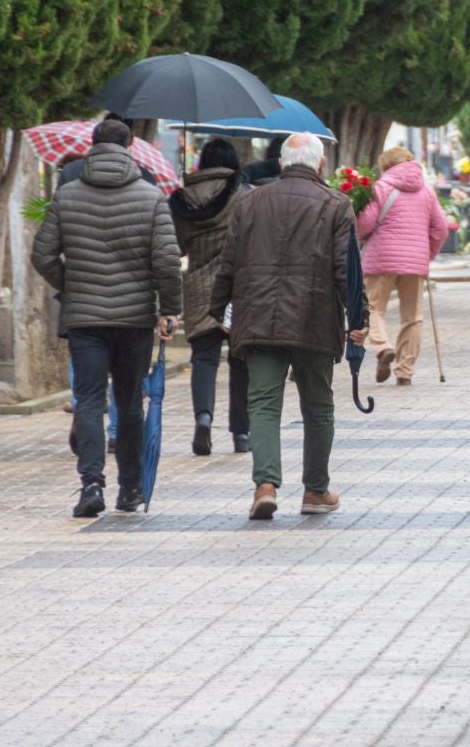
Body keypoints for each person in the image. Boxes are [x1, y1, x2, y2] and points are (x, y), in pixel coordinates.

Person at [31, 117, 182, 518]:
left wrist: (72, 283)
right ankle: (129, 488)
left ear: (91, 147)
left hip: (85, 318)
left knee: (89, 399)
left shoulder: (68, 195)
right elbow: (167, 261)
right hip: (134, 319)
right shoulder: (151, 198)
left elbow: (42, 255)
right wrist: (169, 309)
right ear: (131, 145)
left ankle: (90, 484)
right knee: (130, 402)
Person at [210, 133, 363, 520]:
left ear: (281, 163)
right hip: (315, 317)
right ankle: (315, 489)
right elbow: (348, 271)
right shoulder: (336, 204)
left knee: (262, 403)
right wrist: (359, 319)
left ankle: (265, 485)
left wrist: (217, 310)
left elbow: (228, 262)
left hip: (259, 315)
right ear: (322, 165)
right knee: (318, 405)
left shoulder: (248, 203)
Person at [169, 138, 252, 455]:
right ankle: (241, 433)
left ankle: (203, 418)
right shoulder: (245, 195)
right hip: (239, 289)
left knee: (203, 359)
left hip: (200, 288)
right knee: (240, 360)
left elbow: (176, 247)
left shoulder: (183, 199)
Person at [356, 146, 450, 386]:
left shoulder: (381, 188)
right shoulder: (427, 192)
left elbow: (365, 224)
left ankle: (382, 347)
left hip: (381, 259)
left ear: (386, 167)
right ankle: (405, 371)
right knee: (413, 317)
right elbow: (440, 229)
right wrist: (427, 254)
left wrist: (357, 233)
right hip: (415, 262)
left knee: (373, 308)